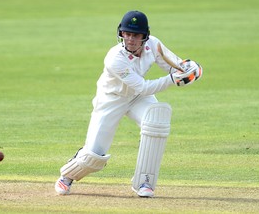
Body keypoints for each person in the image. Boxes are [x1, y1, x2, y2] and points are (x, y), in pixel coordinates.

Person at [55, 10, 202, 197]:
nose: (130, 39)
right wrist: (173, 80)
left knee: (156, 122)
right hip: (111, 99)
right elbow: (143, 87)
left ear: (144, 36)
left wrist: (191, 68)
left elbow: (175, 64)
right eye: (127, 34)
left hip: (137, 98)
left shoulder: (154, 45)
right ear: (121, 34)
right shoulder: (114, 58)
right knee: (94, 156)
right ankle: (67, 176)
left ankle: (144, 183)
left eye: (135, 35)